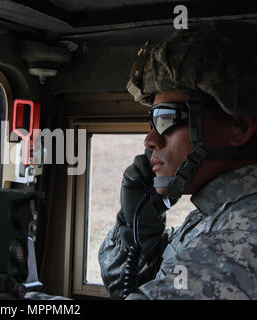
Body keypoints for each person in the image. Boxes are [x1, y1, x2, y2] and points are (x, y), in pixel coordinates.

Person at [98, 20, 257, 299]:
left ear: (239, 127)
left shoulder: (247, 234)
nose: (150, 140)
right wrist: (136, 229)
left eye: (166, 118)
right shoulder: (216, 216)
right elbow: (128, 286)